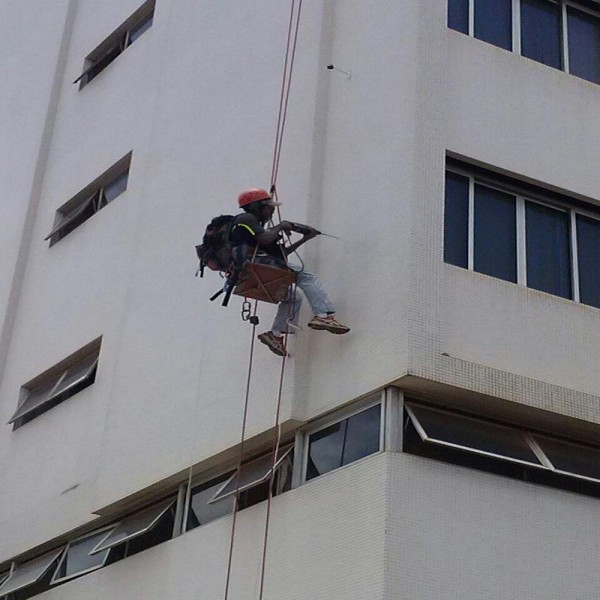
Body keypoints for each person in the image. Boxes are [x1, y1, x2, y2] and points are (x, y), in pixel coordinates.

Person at [230, 188, 350, 356]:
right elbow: (265, 239)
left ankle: (275, 335)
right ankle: (323, 316)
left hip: (257, 265)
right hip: (256, 264)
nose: (272, 210)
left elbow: (281, 254)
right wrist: (281, 226)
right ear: (257, 206)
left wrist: (304, 238)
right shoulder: (246, 218)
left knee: (293, 298)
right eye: (269, 207)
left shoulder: (255, 229)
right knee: (306, 276)